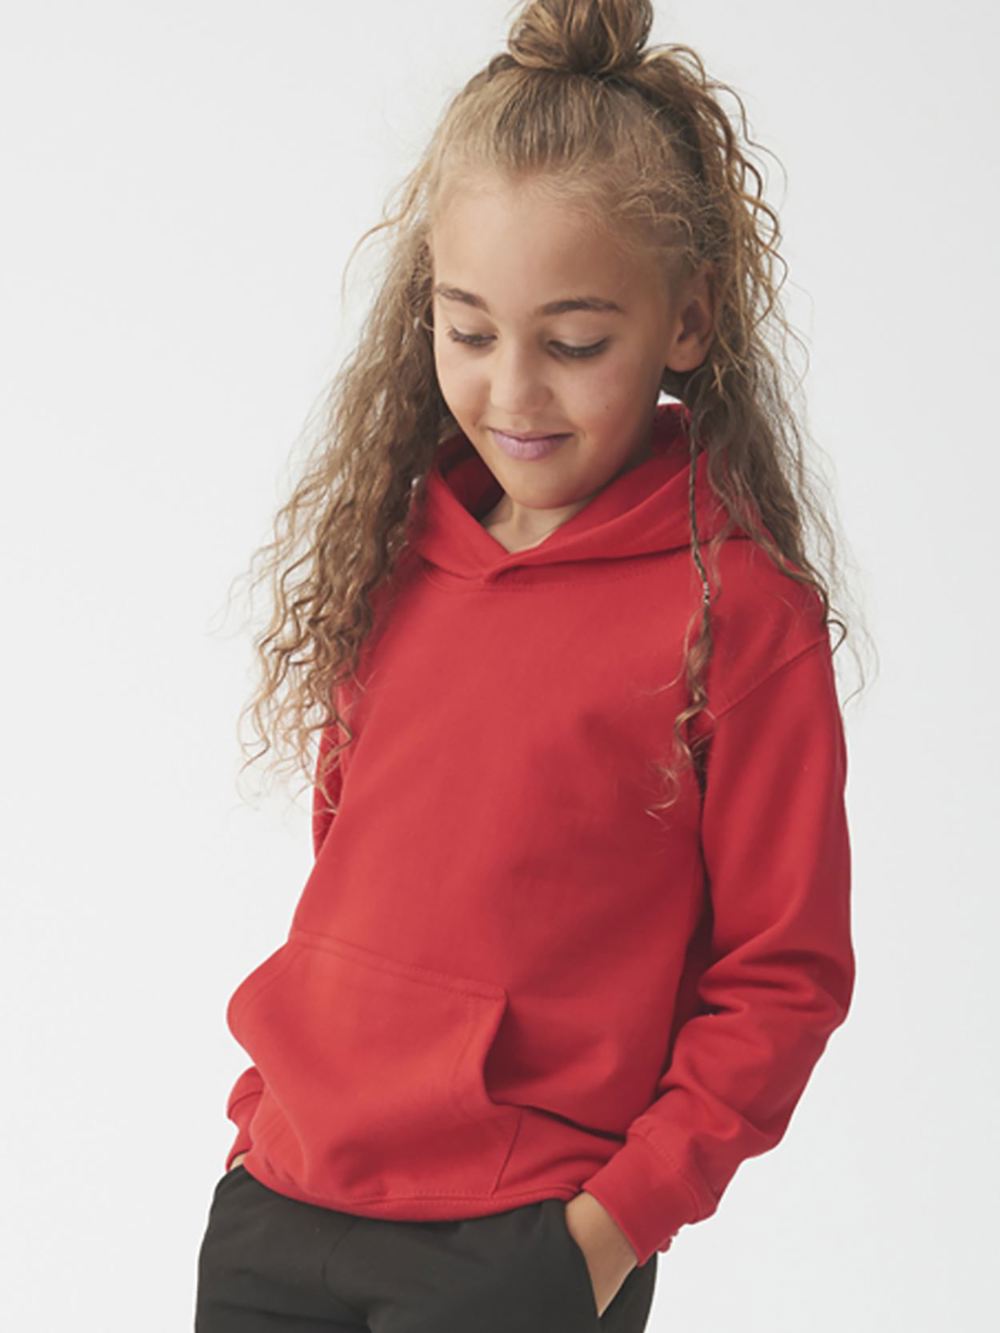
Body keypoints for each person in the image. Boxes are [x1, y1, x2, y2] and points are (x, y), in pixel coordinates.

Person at [194, 1, 863, 1329]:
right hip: (280, 1206)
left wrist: (602, 1240)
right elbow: (352, 869)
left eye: (573, 344)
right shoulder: (395, 557)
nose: (513, 392)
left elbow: (783, 977)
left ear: (686, 321)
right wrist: (259, 1130)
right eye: (469, 331)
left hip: (519, 1246)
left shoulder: (735, 614)